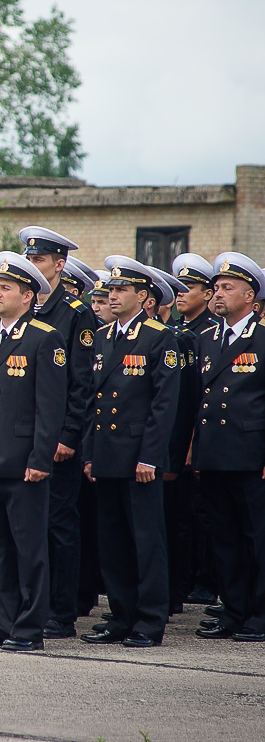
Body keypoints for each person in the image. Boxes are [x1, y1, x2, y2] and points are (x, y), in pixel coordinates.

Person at [0, 251, 67, 652]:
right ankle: (1, 622)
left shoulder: (44, 338)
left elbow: (50, 407)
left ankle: (29, 627)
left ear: (28, 297)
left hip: (22, 461)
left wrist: (40, 460)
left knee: (28, 548)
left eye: (6, 288)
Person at [78, 256, 179, 647]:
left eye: (121, 290)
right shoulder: (103, 338)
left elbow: (162, 405)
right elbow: (92, 401)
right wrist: (89, 453)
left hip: (139, 457)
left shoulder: (158, 337)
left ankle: (150, 621)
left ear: (143, 296)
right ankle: (121, 615)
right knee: (113, 541)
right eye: (110, 290)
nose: (113, 296)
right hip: (106, 454)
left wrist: (149, 457)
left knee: (146, 541)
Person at [19, 226, 98, 641]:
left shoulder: (75, 313)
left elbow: (80, 382)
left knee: (58, 524)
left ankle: (62, 610)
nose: (33, 266)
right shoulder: (23, 307)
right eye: (29, 259)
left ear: (59, 265)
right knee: (27, 526)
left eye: (40, 260)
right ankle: (30, 603)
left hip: (56, 440)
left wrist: (67, 435)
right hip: (22, 437)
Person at [191, 252, 265, 642]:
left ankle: (260, 612)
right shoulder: (207, 339)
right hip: (215, 454)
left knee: (258, 537)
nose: (217, 294)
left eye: (227, 288)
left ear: (250, 296)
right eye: (216, 288)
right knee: (225, 539)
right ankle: (234, 609)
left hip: (251, 455)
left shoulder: (262, 339)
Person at [169, 254, 220, 607]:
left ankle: (204, 578)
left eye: (190, 287)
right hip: (178, 437)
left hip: (205, 437)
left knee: (199, 513)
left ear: (207, 293)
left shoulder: (208, 333)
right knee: (179, 514)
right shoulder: (177, 331)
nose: (182, 293)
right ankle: (187, 577)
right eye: (179, 288)